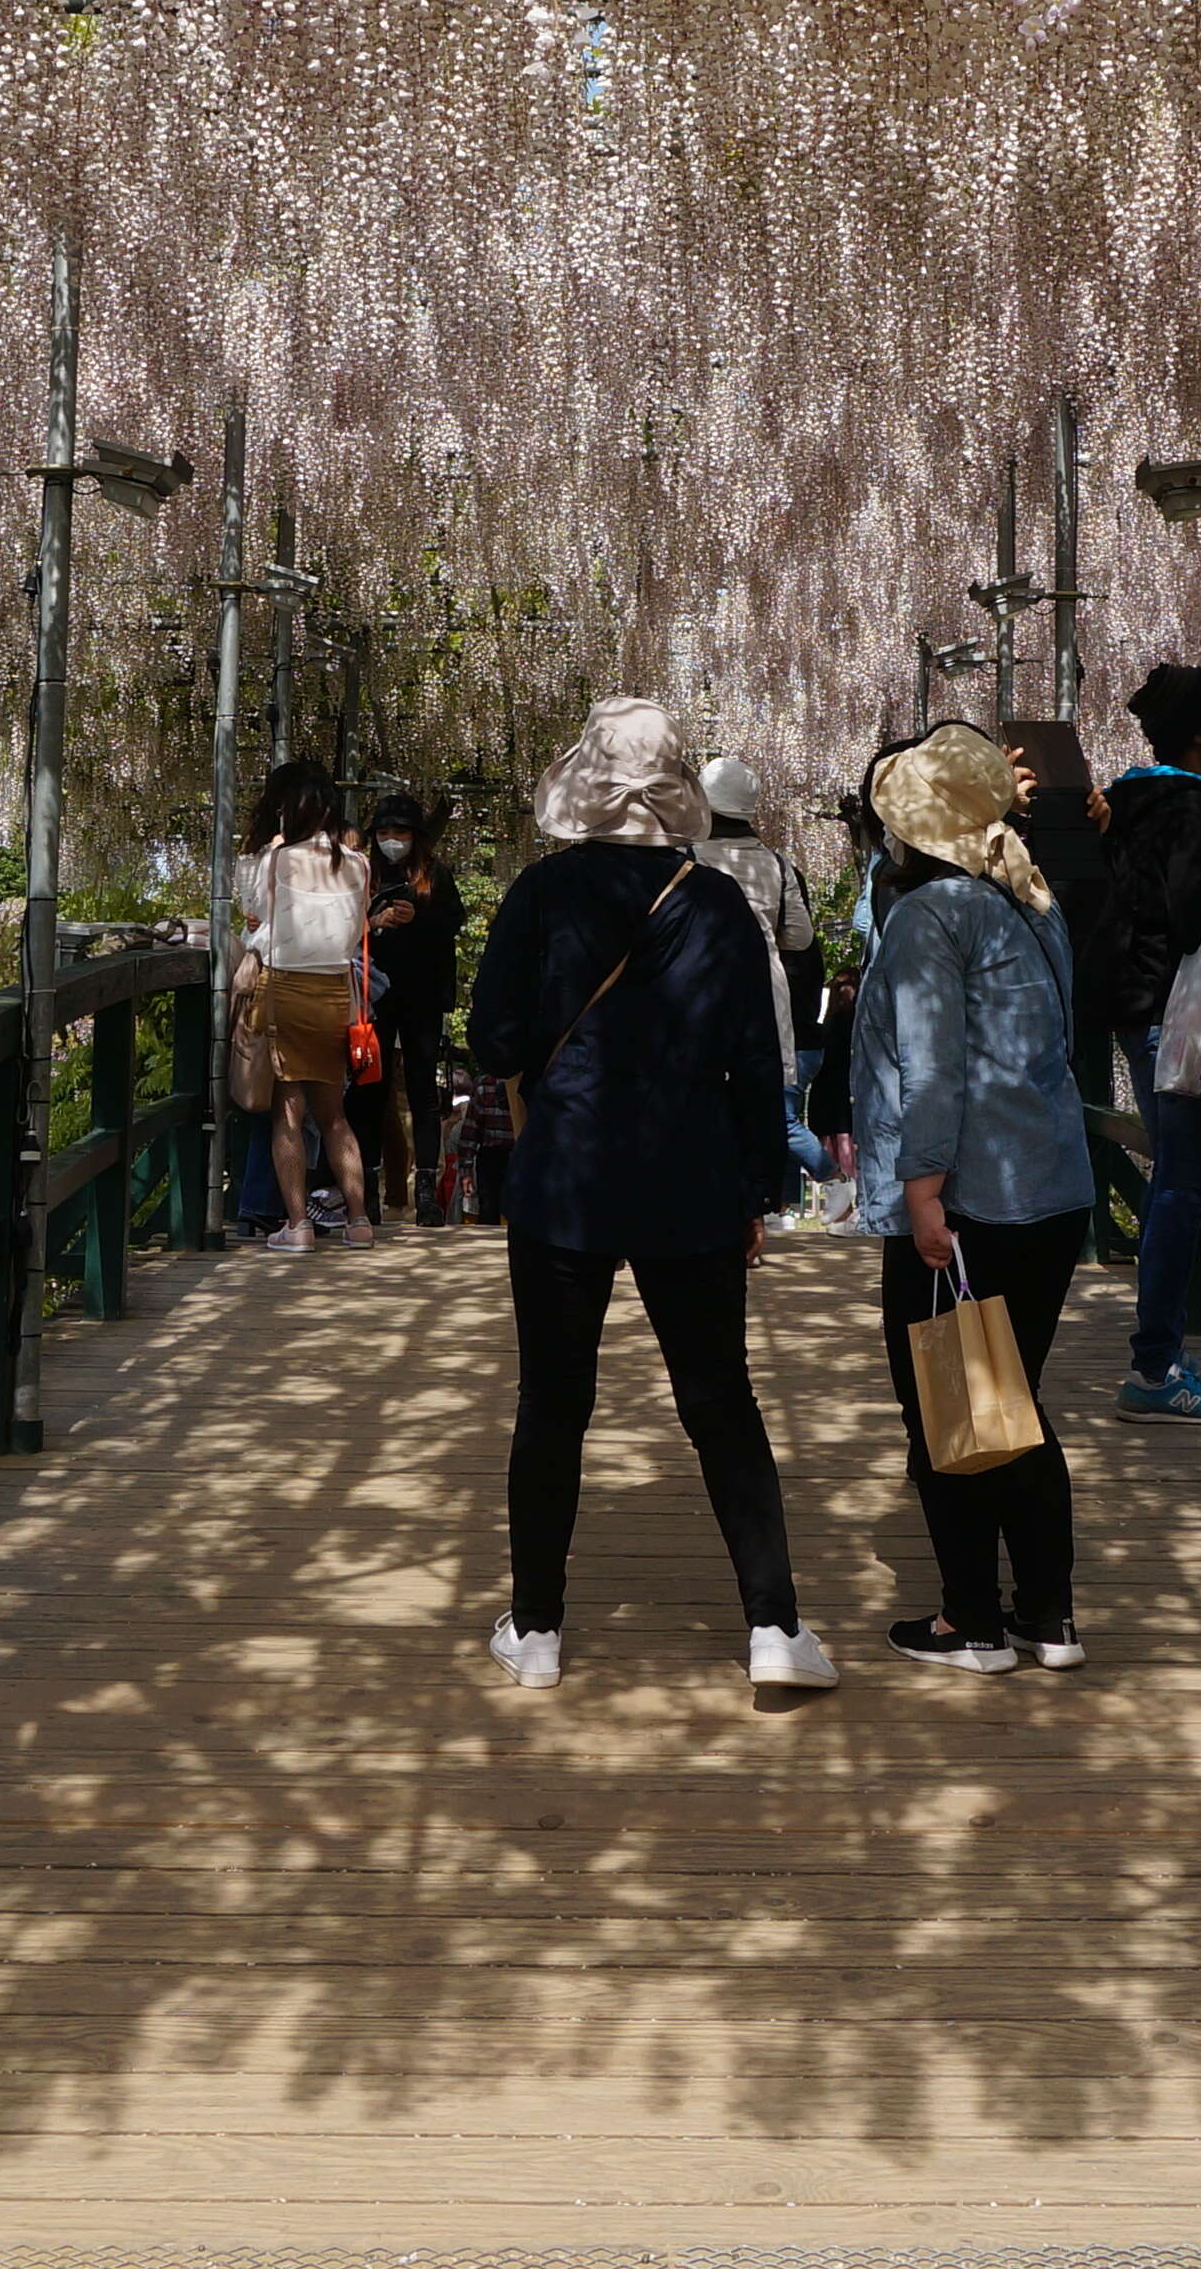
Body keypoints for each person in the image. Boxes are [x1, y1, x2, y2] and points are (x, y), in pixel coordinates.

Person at [461, 695, 835, 1697]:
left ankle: (535, 1629)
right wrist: (763, 1188)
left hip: (566, 1178)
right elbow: (757, 1064)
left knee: (553, 1404)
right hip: (690, 1176)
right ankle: (772, 1628)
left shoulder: (541, 894)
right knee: (720, 1402)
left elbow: (490, 1040)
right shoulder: (712, 901)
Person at [850, 723, 1101, 1673]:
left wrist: (921, 1196)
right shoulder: (1031, 901)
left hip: (970, 1199)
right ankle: (1047, 1614)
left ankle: (971, 1619)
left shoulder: (931, 914)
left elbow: (934, 1069)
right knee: (1011, 1402)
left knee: (948, 1405)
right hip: (1051, 1188)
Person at [1094, 662, 1201, 1424]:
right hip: (1179, 1010)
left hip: (1136, 1007)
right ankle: (1154, 1368)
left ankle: (1162, 1357)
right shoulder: (1194, 804)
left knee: (1169, 1184)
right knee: (1182, 1191)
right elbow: (1192, 917)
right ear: (1197, 730)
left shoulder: (1125, 798)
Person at [237, 758, 373, 1251]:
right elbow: (358, 928)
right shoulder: (358, 863)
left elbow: (251, 911)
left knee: (287, 1114)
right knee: (335, 1115)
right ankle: (359, 1221)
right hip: (336, 992)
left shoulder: (277, 859)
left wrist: (270, 847)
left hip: (286, 991)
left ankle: (298, 1225)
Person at [689, 754, 826, 1200]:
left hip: (698, 989)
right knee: (760, 1102)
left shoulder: (685, 857)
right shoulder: (777, 863)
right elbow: (800, 938)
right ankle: (753, 1204)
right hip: (765, 990)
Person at [359, 792, 468, 1227]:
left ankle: (426, 1189)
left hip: (422, 996)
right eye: (383, 833)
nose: (391, 841)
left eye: (399, 833)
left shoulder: (435, 876)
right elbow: (344, 927)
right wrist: (374, 921)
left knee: (424, 1090)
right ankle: (365, 1186)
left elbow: (452, 924)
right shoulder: (363, 874)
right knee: (370, 1089)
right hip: (374, 995)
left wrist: (416, 916)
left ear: (415, 837)